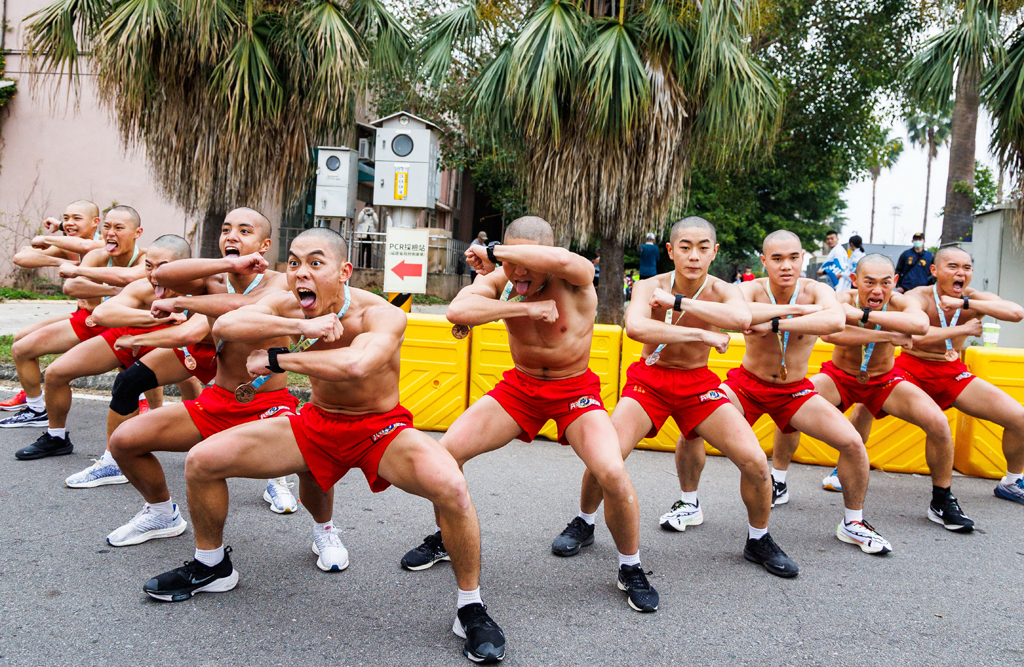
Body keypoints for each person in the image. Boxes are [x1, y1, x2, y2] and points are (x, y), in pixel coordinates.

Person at [141, 228, 505, 664]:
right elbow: (228, 324)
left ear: (343, 271)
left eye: (315, 263)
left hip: (380, 429)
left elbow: (356, 364)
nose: (300, 273)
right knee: (203, 460)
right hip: (316, 422)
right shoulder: (292, 306)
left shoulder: (381, 313)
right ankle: (211, 565)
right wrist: (300, 325)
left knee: (452, 487)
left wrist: (278, 358)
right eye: (294, 263)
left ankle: (470, 607)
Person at [401, 215, 659, 613]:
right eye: (510, 260)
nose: (518, 271)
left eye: (528, 260)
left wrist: (495, 253)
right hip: (520, 389)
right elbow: (458, 311)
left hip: (573, 389)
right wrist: (521, 308)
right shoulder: (504, 281)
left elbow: (578, 265)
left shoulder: (575, 277)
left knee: (610, 470)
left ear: (549, 255)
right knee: (445, 454)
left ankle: (630, 566)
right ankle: (444, 538)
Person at [550, 216, 800, 578]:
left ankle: (758, 539)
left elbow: (739, 317)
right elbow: (636, 327)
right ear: (670, 250)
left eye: (702, 248)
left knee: (756, 463)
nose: (694, 256)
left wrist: (679, 302)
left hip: (698, 384)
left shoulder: (723, 288)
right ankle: (584, 522)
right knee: (607, 456)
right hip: (649, 380)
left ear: (714, 252)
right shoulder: (649, 285)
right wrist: (701, 336)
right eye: (685, 247)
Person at [106, 209, 334, 555]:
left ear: (265, 244)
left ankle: (325, 530)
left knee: (313, 461)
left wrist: (183, 301)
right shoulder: (214, 279)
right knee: (124, 441)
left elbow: (243, 307)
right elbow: (165, 272)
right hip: (217, 400)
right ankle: (161, 513)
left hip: (268, 404)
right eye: (227, 229)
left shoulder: (280, 284)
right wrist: (227, 265)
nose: (232, 236)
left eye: (245, 231)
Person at [677, 230, 892, 555]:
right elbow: (741, 318)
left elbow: (834, 320)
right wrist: (803, 314)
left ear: (803, 258)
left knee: (851, 443)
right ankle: (689, 503)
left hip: (794, 391)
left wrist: (777, 323)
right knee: (691, 427)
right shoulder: (748, 288)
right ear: (764, 261)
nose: (786, 265)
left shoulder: (815, 289)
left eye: (793, 257)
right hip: (746, 386)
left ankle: (854, 523)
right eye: (777, 259)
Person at [773, 254, 978, 532]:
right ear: (856, 280)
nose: (877, 291)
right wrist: (887, 335)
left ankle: (941, 500)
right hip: (840, 376)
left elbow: (919, 326)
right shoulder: (842, 298)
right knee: (791, 407)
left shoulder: (901, 302)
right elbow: (832, 334)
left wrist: (866, 317)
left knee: (939, 423)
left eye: (884, 283)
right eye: (869, 282)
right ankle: (778, 480)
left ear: (894, 282)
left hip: (884, 380)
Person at [846, 246, 1024, 507]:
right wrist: (962, 329)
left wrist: (964, 303)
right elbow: (916, 334)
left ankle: (1011, 481)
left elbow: (1016, 313)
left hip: (952, 374)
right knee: (865, 406)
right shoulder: (919, 296)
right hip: (910, 368)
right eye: (952, 266)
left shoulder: (973, 298)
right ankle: (843, 469)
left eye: (966, 268)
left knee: (1018, 417)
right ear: (935, 270)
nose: (960, 273)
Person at [12, 235, 196, 461]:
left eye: (162, 267)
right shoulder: (140, 283)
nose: (154, 274)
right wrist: (158, 316)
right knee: (56, 373)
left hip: (172, 341)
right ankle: (56, 437)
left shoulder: (204, 287)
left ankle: (199, 438)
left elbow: (192, 333)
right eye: (149, 266)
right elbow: (102, 313)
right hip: (128, 333)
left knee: (186, 381)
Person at [1, 206, 148, 430]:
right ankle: (37, 411)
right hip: (88, 320)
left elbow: (119, 270)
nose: (111, 232)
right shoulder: (95, 253)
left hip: (130, 326)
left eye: (76, 218)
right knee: (23, 347)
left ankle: (152, 411)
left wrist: (76, 267)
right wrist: (69, 266)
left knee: (150, 368)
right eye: (65, 219)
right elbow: (68, 284)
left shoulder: (136, 255)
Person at [1, 201, 107, 411]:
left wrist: (50, 235)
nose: (69, 223)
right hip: (82, 314)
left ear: (95, 222)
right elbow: (20, 257)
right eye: (66, 218)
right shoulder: (68, 246)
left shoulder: (105, 244)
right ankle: (32, 396)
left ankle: (36, 408)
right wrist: (59, 262)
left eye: (76, 218)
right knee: (21, 338)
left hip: (103, 318)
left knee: (137, 360)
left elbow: (86, 246)